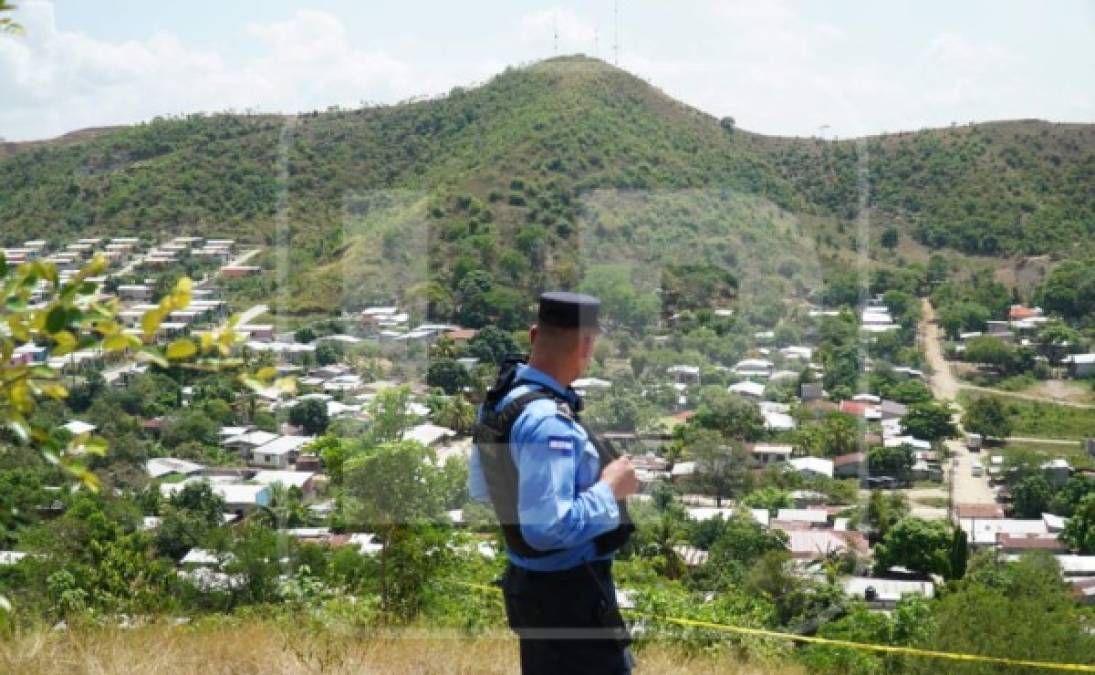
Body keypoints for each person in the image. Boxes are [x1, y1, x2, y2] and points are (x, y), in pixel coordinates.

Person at [469, 291, 640, 675]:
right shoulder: (549, 422)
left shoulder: (501, 401)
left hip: (530, 589)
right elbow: (548, 529)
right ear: (585, 344)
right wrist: (610, 488)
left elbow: (482, 489)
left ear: (534, 335)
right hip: (571, 596)